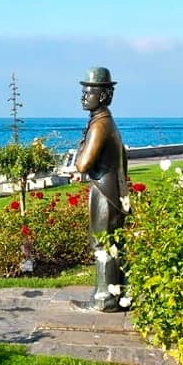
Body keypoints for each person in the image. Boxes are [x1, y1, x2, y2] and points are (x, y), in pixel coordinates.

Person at [73, 66, 130, 311]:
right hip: (111, 190)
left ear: (104, 96)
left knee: (103, 243)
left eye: (89, 92)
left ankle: (104, 299)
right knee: (111, 243)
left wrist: (77, 161)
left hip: (105, 193)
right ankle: (115, 294)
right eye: (84, 92)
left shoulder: (100, 125)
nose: (83, 97)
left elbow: (84, 163)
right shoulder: (104, 121)